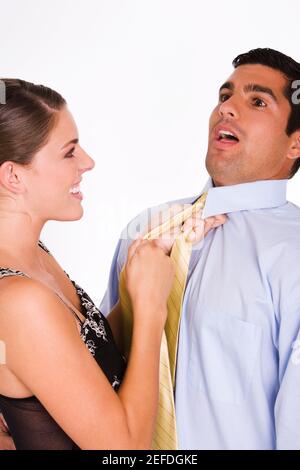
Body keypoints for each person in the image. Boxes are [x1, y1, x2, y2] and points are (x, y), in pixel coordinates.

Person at [0, 79, 225, 450]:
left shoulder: (33, 255)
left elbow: (91, 355)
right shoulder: (20, 300)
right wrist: (151, 310)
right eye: (69, 152)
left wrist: (145, 264)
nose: (87, 162)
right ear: (14, 176)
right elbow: (125, 450)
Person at [100, 48, 300, 450]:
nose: (226, 109)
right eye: (224, 96)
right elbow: (104, 364)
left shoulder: (293, 254)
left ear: (295, 145)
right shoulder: (146, 230)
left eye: (257, 101)